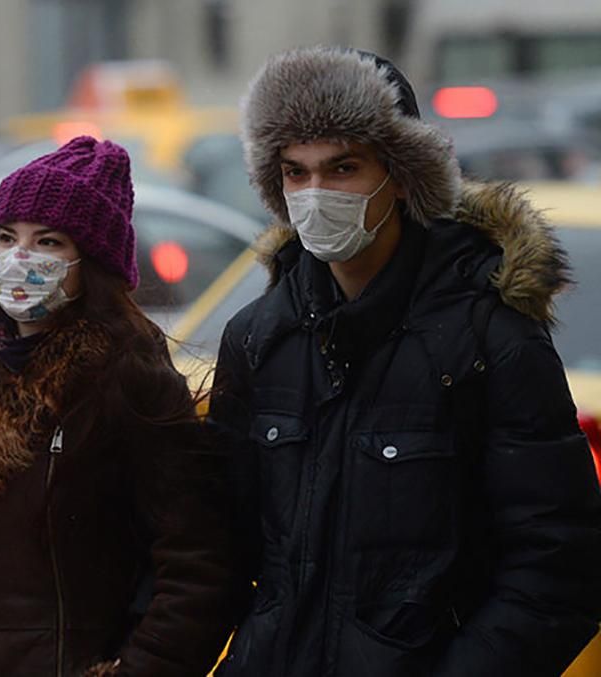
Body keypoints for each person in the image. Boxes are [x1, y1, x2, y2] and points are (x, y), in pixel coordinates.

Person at [207, 46, 601, 677]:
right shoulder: (259, 339)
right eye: (294, 172)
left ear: (401, 174)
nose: (315, 194)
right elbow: (216, 551)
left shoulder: (488, 339)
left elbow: (558, 569)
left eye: (343, 168)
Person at [0, 136, 235, 677]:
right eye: (6, 237)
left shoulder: (129, 378)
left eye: (48, 242)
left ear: (88, 264)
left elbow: (197, 560)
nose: (20, 258)